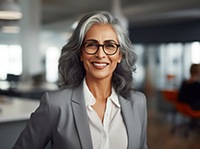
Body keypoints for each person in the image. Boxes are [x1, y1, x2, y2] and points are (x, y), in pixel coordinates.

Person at [13, 11, 148, 149]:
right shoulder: (55, 105)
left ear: (120, 55)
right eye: (91, 45)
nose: (100, 54)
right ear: (80, 54)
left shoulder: (138, 102)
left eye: (109, 46)